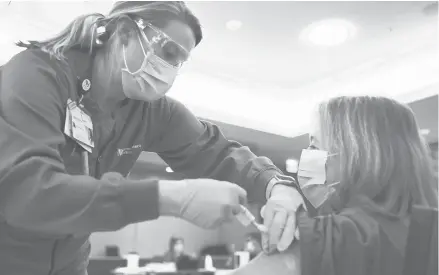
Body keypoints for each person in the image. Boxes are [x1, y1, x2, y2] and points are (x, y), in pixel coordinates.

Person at [0, 2, 304, 274]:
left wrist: (276, 185)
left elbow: (219, 152)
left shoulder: (152, 113)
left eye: (179, 62)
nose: (169, 70)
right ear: (124, 32)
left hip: (70, 264)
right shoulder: (37, 75)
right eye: (168, 52)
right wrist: (169, 198)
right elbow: (27, 191)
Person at [231, 96, 438, 275]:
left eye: (315, 145)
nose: (308, 156)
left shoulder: (330, 237)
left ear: (358, 157)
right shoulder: (429, 230)